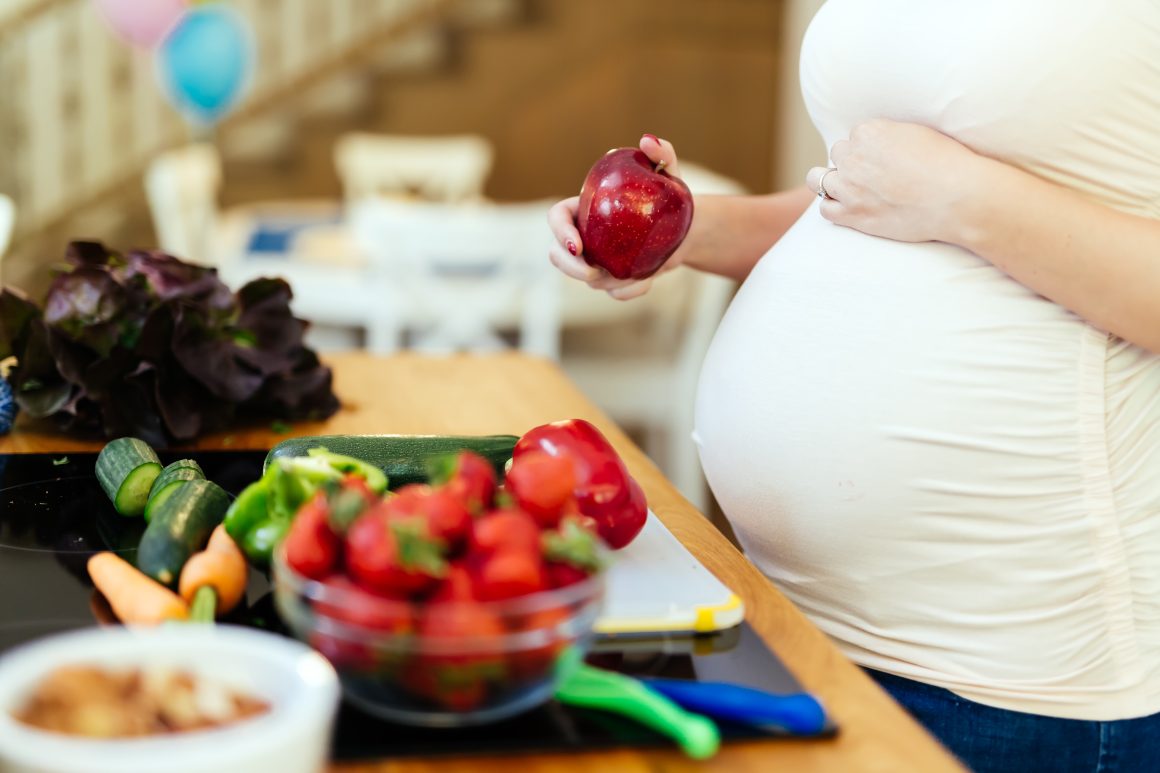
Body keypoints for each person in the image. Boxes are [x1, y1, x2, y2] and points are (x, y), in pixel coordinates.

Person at [546, 2, 1160, 771]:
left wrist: (966, 199)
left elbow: (938, 194)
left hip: (1004, 679)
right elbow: (866, 198)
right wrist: (685, 228)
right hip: (788, 622)